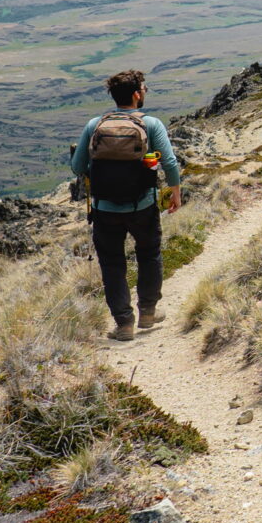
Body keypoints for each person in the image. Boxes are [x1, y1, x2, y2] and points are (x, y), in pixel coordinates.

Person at [69, 69, 183, 342]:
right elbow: (169, 162)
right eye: (144, 88)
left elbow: (77, 166)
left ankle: (124, 324)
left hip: (104, 209)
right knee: (149, 255)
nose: (146, 92)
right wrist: (175, 193)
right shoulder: (151, 124)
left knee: (112, 264)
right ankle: (148, 313)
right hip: (142, 205)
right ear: (136, 95)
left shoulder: (94, 125)